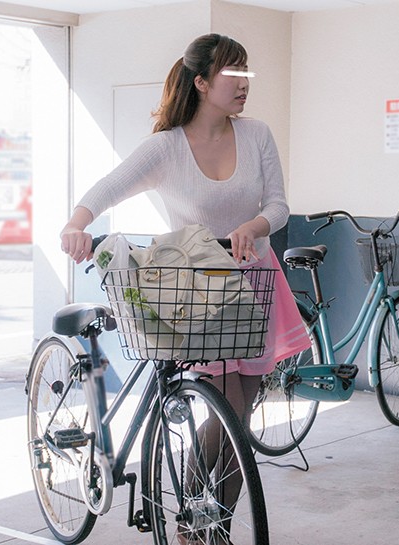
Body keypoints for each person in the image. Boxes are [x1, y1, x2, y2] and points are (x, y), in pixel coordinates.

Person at [60, 33, 310, 542]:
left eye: (246, 72)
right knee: (228, 411)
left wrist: (255, 226)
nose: (244, 83)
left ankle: (214, 526)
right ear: (201, 83)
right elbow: (109, 187)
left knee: (240, 418)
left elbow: (279, 205)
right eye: (232, 73)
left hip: (255, 285)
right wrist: (76, 224)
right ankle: (191, 523)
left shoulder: (257, 134)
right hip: (198, 295)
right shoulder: (167, 147)